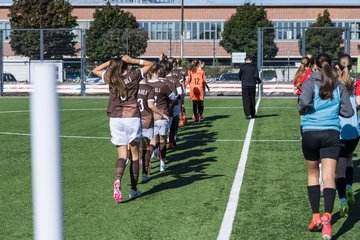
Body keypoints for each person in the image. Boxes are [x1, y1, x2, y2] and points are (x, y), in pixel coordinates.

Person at [298, 53, 353, 239]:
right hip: (331, 133)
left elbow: (302, 105)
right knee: (329, 176)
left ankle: (315, 216)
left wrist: (308, 107)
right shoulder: (339, 86)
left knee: (313, 174)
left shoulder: (309, 82)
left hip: (310, 133)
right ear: (333, 66)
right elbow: (348, 112)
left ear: (315, 66)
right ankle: (327, 217)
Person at [92, 56, 153, 203]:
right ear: (127, 65)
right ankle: (133, 190)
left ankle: (118, 180)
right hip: (131, 117)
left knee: (122, 156)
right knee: (135, 156)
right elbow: (151, 64)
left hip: (115, 118)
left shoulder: (111, 78)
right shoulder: (134, 75)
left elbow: (95, 70)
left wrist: (111, 62)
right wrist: (133, 60)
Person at [334, 54, 360, 218]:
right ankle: (350, 187)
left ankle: (343, 200)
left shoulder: (335, 84)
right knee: (349, 158)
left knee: (338, 167)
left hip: (339, 128)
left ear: (337, 66)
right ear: (351, 67)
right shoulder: (356, 82)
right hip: (355, 129)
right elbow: (358, 103)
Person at [137, 76, 169, 183]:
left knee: (139, 148)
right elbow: (151, 105)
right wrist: (162, 113)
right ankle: (154, 168)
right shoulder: (149, 88)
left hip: (135, 121)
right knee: (158, 142)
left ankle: (141, 165)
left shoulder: (133, 88)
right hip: (148, 120)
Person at [148, 63, 177, 171]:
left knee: (151, 141)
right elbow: (174, 97)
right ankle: (162, 163)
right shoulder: (163, 85)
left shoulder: (145, 84)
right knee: (162, 141)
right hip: (162, 116)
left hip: (148, 117)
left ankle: (147, 161)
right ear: (157, 72)